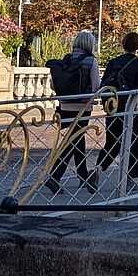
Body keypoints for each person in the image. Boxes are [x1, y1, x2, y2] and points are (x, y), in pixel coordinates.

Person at [44, 30, 101, 194]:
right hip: (82, 107)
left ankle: (83, 176)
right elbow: (96, 86)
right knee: (73, 141)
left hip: (65, 106)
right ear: (90, 44)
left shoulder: (66, 60)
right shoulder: (91, 61)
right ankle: (54, 177)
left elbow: (54, 86)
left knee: (77, 139)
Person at [96, 31, 138, 182]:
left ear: (123, 45)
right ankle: (131, 178)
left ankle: (98, 169)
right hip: (133, 110)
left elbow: (104, 87)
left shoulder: (113, 62)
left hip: (114, 108)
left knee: (112, 142)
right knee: (135, 143)